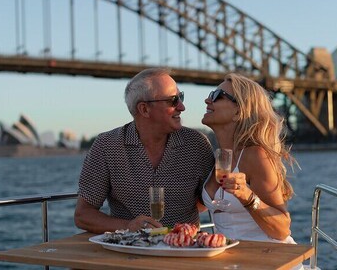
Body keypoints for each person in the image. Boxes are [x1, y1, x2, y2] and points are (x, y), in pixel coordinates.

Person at [75, 68, 215, 234]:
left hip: (182, 252)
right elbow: (83, 215)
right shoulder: (107, 146)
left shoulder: (196, 144)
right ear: (144, 109)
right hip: (128, 253)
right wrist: (129, 226)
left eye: (181, 97)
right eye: (173, 100)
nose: (182, 106)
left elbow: (206, 202)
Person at [201, 73, 298, 244]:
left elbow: (282, 229)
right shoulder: (219, 157)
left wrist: (247, 195)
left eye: (216, 96)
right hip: (233, 260)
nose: (207, 101)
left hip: (269, 259)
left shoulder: (255, 155)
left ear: (239, 110)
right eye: (210, 95)